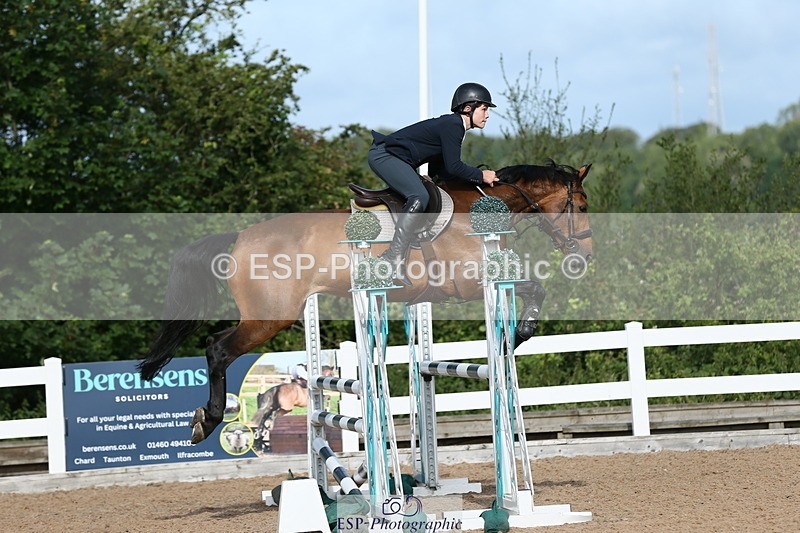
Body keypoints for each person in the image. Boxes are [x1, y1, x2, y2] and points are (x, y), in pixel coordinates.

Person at [368, 82, 500, 286]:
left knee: (427, 192)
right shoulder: (453, 125)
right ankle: (392, 257)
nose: (487, 115)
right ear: (468, 108)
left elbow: (441, 170)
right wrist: (481, 176)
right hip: (384, 156)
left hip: (394, 157)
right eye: (484, 109)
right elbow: (455, 167)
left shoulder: (453, 126)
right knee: (420, 196)